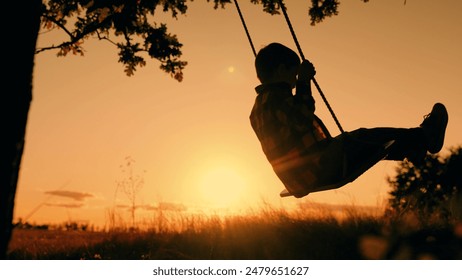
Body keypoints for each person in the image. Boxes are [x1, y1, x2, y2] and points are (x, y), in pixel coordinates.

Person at [249, 42, 448, 198]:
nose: (294, 80)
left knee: (362, 145)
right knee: (360, 138)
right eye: (293, 74)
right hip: (317, 169)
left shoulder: (258, 108)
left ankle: (413, 147)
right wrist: (304, 82)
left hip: (301, 177)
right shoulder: (276, 99)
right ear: (281, 70)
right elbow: (303, 117)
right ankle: (425, 136)